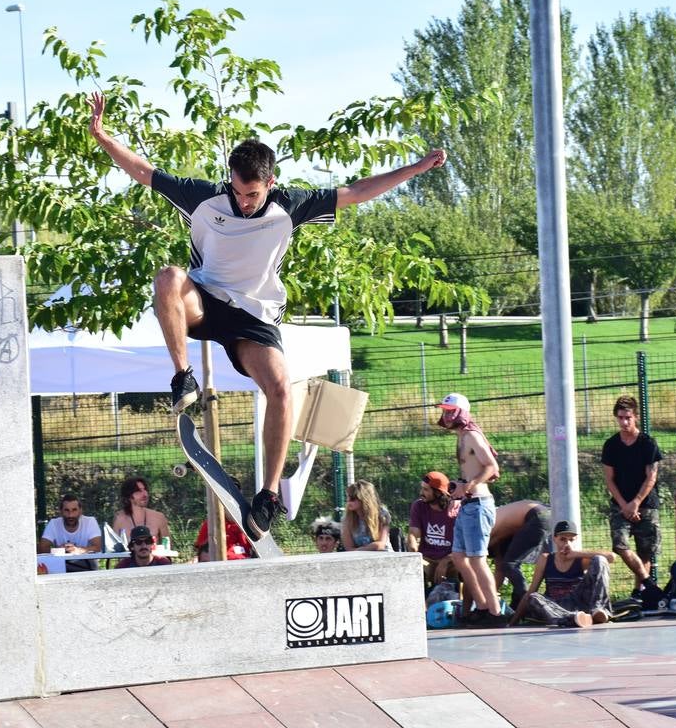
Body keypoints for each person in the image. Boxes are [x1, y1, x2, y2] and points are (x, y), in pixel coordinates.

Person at [88, 90, 447, 541]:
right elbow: (144, 171)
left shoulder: (292, 204)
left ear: (271, 183)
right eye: (237, 193)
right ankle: (183, 378)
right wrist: (102, 136)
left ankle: (268, 495)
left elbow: (356, 191)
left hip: (254, 318)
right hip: (204, 300)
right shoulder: (203, 198)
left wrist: (415, 168)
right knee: (167, 277)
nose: (243, 203)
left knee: (280, 388)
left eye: (253, 195)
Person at [438, 392, 506, 628]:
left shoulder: (471, 435)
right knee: (459, 557)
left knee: (477, 560)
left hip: (478, 505)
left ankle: (496, 614)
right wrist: (459, 487)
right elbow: (477, 471)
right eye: (444, 411)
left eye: (450, 411)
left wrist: (469, 486)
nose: (446, 416)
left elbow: (492, 467)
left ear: (461, 413)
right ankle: (483, 606)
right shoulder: (461, 437)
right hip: (468, 505)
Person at [601, 395, 664, 595]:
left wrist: (635, 503)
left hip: (646, 503)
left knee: (645, 551)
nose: (624, 422)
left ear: (635, 417)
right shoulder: (611, 445)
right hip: (620, 503)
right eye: (620, 417)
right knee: (620, 544)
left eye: (628, 417)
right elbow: (609, 479)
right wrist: (624, 505)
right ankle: (649, 584)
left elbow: (651, 476)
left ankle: (640, 592)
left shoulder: (648, 444)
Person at [516, 521, 614, 628]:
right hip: (556, 606)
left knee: (600, 559)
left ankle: (597, 610)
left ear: (575, 539)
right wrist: (512, 622)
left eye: (571, 540)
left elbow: (611, 557)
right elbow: (531, 591)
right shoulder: (545, 559)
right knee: (533, 597)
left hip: (579, 601)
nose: (567, 544)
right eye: (562, 539)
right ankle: (573, 618)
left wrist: (575, 554)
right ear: (554, 539)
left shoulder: (580, 559)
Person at [486, 500, 553, 610]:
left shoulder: (486, 533)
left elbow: (481, 569)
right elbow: (500, 570)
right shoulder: (499, 534)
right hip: (543, 513)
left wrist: (485, 602)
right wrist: (491, 598)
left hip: (536, 515)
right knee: (510, 564)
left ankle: (530, 605)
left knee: (510, 564)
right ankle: (518, 605)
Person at [407, 471, 457, 587]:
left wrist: (446, 561)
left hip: (451, 560)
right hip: (426, 559)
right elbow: (414, 534)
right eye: (422, 488)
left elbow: (464, 545)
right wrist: (413, 548)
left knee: (464, 567)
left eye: (426, 490)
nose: (421, 493)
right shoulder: (418, 506)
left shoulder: (456, 510)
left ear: (438, 493)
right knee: (415, 569)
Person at [39, 494, 103, 573]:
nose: (70, 515)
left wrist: (79, 550)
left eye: (74, 510)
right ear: (61, 511)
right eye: (66, 510)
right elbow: (41, 548)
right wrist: (59, 550)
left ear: (80, 511)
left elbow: (97, 547)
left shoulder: (90, 521)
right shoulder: (54, 523)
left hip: (87, 569)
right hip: (61, 568)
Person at [110, 477, 171, 544]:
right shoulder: (119, 519)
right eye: (138, 491)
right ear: (129, 496)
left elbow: (167, 547)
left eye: (145, 489)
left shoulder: (159, 517)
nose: (144, 494)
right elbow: (114, 549)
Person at [342, 480, 391, 552]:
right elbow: (349, 548)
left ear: (364, 499)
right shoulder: (347, 519)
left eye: (353, 498)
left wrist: (359, 550)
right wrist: (370, 547)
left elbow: (380, 545)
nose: (349, 501)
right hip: (358, 558)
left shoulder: (382, 514)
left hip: (383, 555)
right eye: (348, 497)